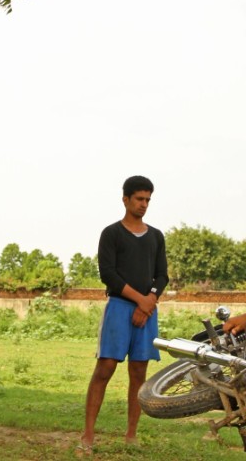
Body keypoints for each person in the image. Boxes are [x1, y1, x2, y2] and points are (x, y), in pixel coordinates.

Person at [80, 175, 168, 455]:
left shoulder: (155, 236)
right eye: (139, 199)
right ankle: (88, 435)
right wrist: (139, 300)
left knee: (139, 371)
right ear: (126, 199)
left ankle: (131, 435)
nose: (143, 205)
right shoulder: (112, 233)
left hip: (148, 310)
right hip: (119, 307)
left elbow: (162, 275)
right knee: (105, 368)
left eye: (148, 200)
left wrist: (150, 300)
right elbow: (108, 274)